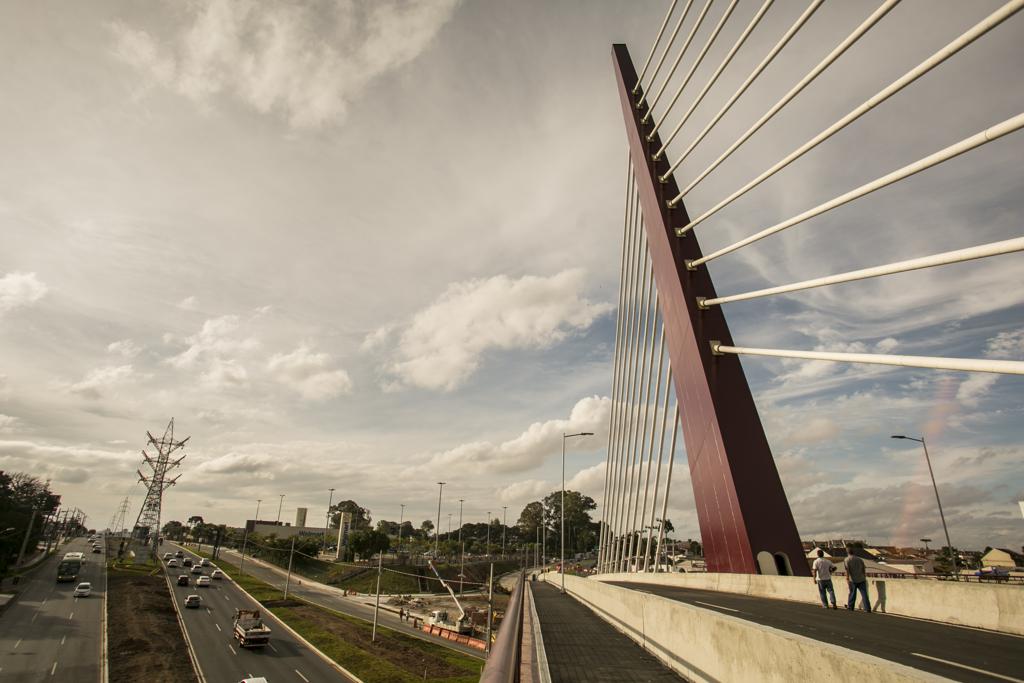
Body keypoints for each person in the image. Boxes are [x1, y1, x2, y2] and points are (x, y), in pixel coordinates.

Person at [843, 545, 871, 612]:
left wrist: (847, 578)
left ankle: (850, 607)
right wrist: (864, 576)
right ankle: (867, 608)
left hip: (853, 580)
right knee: (864, 594)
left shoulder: (847, 560)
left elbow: (847, 570)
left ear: (847, 551)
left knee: (852, 594)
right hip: (861, 579)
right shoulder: (859, 559)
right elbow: (863, 569)